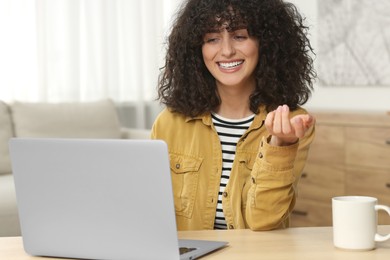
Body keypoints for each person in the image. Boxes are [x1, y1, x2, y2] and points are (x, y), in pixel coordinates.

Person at [151, 0, 316, 231]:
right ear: (197, 48)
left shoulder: (290, 124)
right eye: (212, 39)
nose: (227, 51)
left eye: (240, 36)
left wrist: (280, 144)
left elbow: (263, 220)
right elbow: (152, 212)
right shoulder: (169, 123)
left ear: (265, 43)